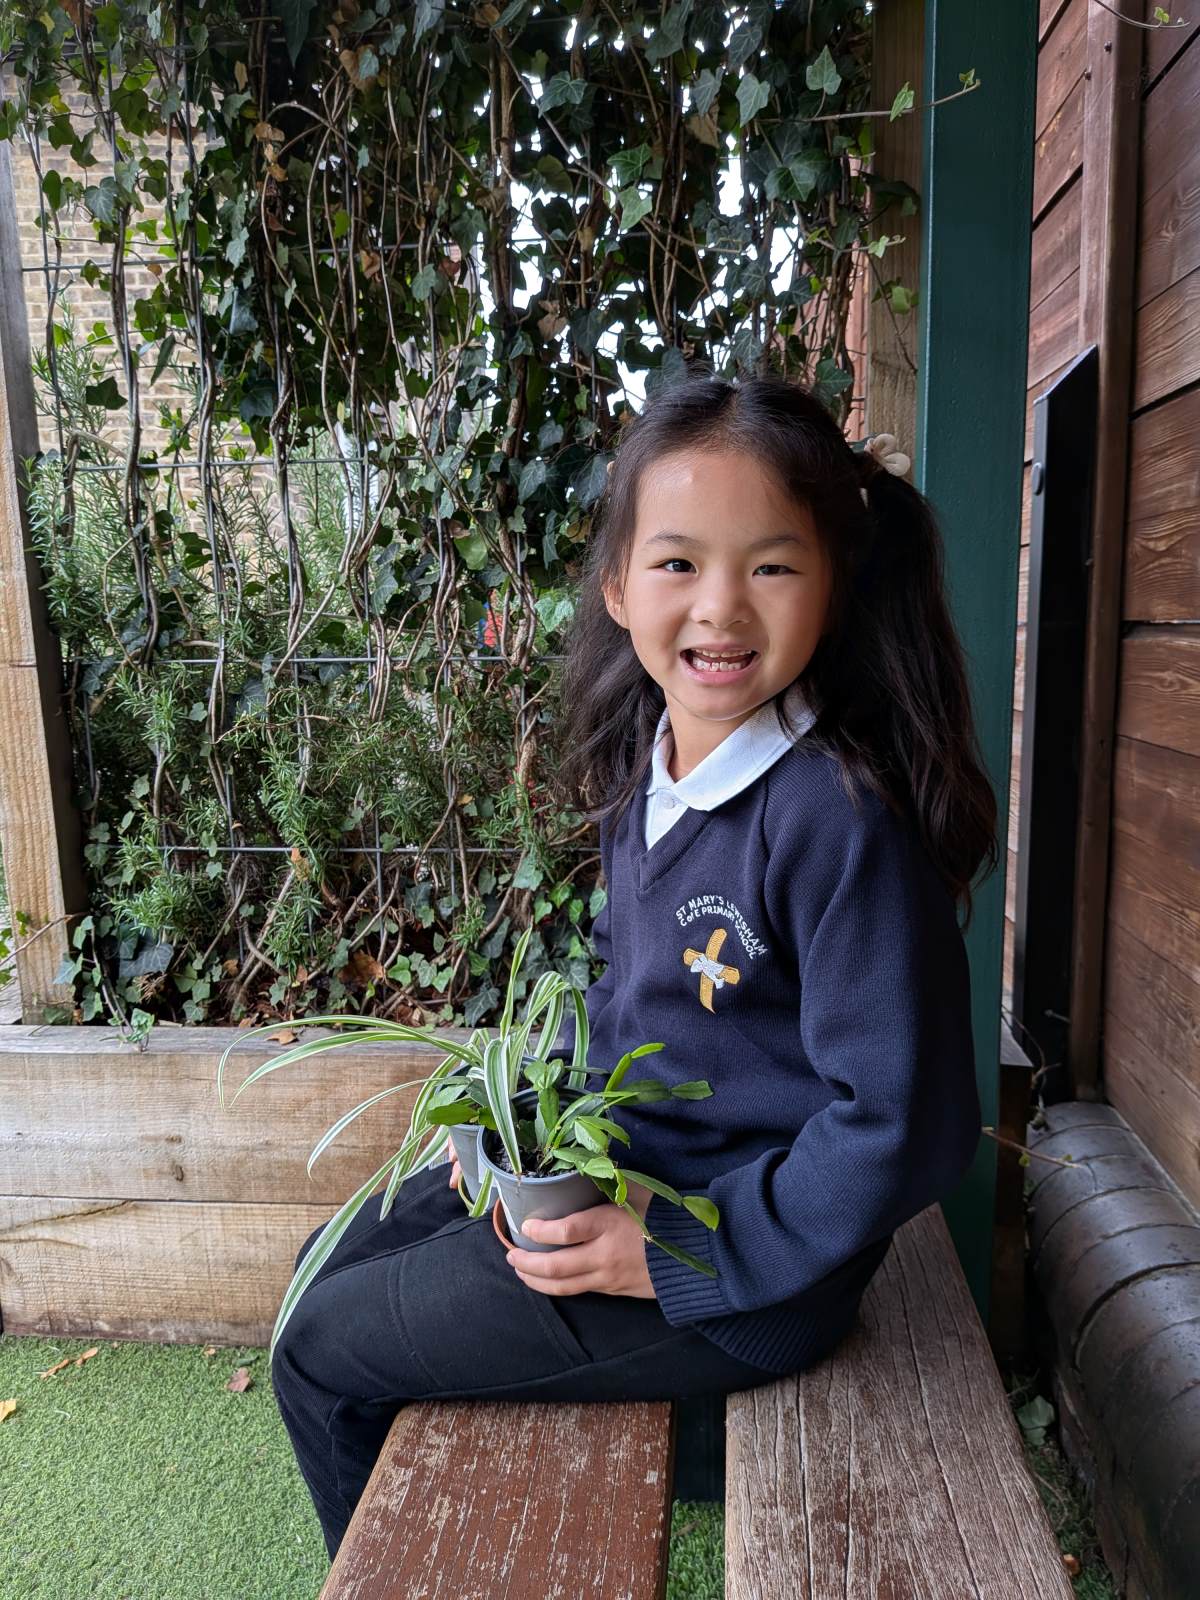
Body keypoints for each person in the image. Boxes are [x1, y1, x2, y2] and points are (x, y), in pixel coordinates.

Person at [270, 367, 996, 1561]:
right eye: (678, 563)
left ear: (833, 582)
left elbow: (905, 1123)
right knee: (321, 1270)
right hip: (616, 1172)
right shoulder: (656, 761)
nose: (721, 607)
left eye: (772, 566)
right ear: (616, 586)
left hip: (740, 1279)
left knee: (316, 1347)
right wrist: (514, 1122)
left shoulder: (834, 818)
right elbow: (626, 993)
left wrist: (675, 1253)